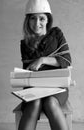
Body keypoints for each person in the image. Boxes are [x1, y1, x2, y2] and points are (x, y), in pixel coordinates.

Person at [18, 0, 72, 130]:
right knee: (35, 102)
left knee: (50, 102)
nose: (37, 23)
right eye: (33, 18)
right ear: (28, 20)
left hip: (57, 88)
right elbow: (28, 72)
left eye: (41, 18)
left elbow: (67, 61)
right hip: (34, 88)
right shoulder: (25, 44)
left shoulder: (56, 34)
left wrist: (42, 60)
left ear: (48, 20)